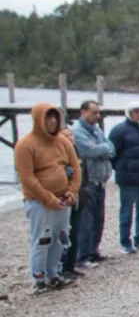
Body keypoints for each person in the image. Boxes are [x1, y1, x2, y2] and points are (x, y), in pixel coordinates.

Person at [13, 103, 81, 293]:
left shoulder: (63, 142)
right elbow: (27, 178)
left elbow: (76, 168)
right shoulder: (25, 145)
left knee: (60, 239)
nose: (52, 121)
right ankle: (38, 277)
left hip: (63, 198)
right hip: (39, 202)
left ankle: (54, 274)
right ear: (39, 120)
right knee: (42, 239)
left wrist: (72, 192)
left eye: (55, 117)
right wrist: (48, 198)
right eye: (48, 118)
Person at [109, 101, 139, 254]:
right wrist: (122, 168)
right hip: (128, 178)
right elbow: (112, 153)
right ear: (129, 113)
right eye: (136, 111)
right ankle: (125, 242)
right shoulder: (119, 130)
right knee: (126, 211)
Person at [71, 101, 114, 267]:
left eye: (98, 113)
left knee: (98, 219)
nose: (98, 116)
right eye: (94, 113)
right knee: (86, 222)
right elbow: (90, 150)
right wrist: (102, 149)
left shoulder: (97, 130)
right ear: (83, 112)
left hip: (101, 181)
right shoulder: (77, 131)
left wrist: (101, 149)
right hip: (88, 181)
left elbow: (111, 147)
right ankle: (82, 256)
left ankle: (93, 250)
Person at [58, 128, 88, 282]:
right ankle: (61, 268)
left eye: (70, 135)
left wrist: (86, 191)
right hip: (65, 199)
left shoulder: (77, 153)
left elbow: (84, 174)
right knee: (64, 234)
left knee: (75, 233)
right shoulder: (58, 155)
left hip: (79, 198)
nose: (69, 137)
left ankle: (71, 265)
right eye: (65, 135)